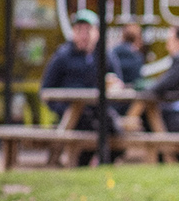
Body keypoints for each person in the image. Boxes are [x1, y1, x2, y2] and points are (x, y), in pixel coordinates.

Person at [40, 9, 124, 165]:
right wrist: (65, 110)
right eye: (79, 30)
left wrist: (116, 86)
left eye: (88, 30)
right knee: (88, 128)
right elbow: (45, 90)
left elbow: (118, 83)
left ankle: (102, 165)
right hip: (72, 116)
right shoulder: (62, 56)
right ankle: (81, 164)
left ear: (97, 33)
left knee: (115, 131)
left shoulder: (106, 55)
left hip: (99, 113)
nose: (83, 35)